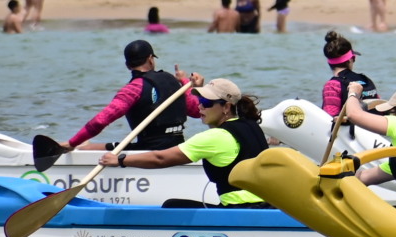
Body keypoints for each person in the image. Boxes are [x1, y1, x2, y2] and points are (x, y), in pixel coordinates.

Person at [97, 78, 269, 208]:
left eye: (207, 103)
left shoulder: (215, 137)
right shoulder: (252, 126)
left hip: (238, 211)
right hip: (267, 206)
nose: (200, 107)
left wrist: (120, 160)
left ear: (226, 107)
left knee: (172, 206)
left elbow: (160, 158)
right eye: (200, 102)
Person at [62, 39, 204, 152]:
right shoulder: (173, 81)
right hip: (177, 149)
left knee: (86, 147)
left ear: (127, 65)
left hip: (148, 151)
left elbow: (100, 121)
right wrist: (186, 83)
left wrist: (72, 142)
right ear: (150, 59)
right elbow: (197, 111)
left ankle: (71, 146)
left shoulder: (132, 89)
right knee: (92, 146)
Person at [320, 31, 378, 116]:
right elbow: (378, 105)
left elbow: (330, 118)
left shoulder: (332, 85)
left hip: (352, 128)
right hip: (374, 125)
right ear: (351, 59)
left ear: (329, 63)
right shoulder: (367, 80)